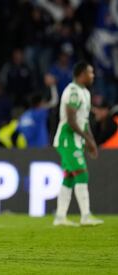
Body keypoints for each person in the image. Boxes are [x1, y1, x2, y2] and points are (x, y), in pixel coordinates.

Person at [53, 61, 104, 227]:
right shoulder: (73, 91)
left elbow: (84, 121)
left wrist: (92, 142)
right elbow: (71, 120)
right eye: (90, 72)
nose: (93, 75)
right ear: (82, 74)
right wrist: (87, 140)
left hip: (75, 139)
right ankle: (85, 215)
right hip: (67, 138)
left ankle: (60, 217)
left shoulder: (85, 93)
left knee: (68, 177)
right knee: (82, 174)